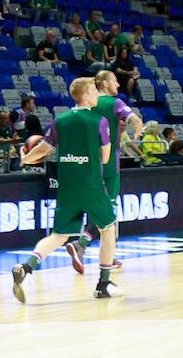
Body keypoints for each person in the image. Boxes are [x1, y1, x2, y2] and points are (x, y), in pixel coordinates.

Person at [12, 77, 120, 302]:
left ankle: (27, 266)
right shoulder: (99, 121)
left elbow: (44, 149)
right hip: (91, 185)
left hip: (67, 186)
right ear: (86, 95)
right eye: (94, 92)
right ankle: (103, 283)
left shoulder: (59, 120)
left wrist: (25, 159)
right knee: (108, 228)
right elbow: (106, 156)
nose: (98, 96)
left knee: (59, 235)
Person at [66, 69, 140, 277]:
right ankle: (81, 243)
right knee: (109, 212)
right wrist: (138, 126)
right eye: (115, 81)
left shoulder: (84, 105)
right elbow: (132, 118)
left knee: (96, 208)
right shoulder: (114, 103)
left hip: (83, 162)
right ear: (105, 84)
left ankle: (106, 254)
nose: (118, 84)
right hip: (107, 164)